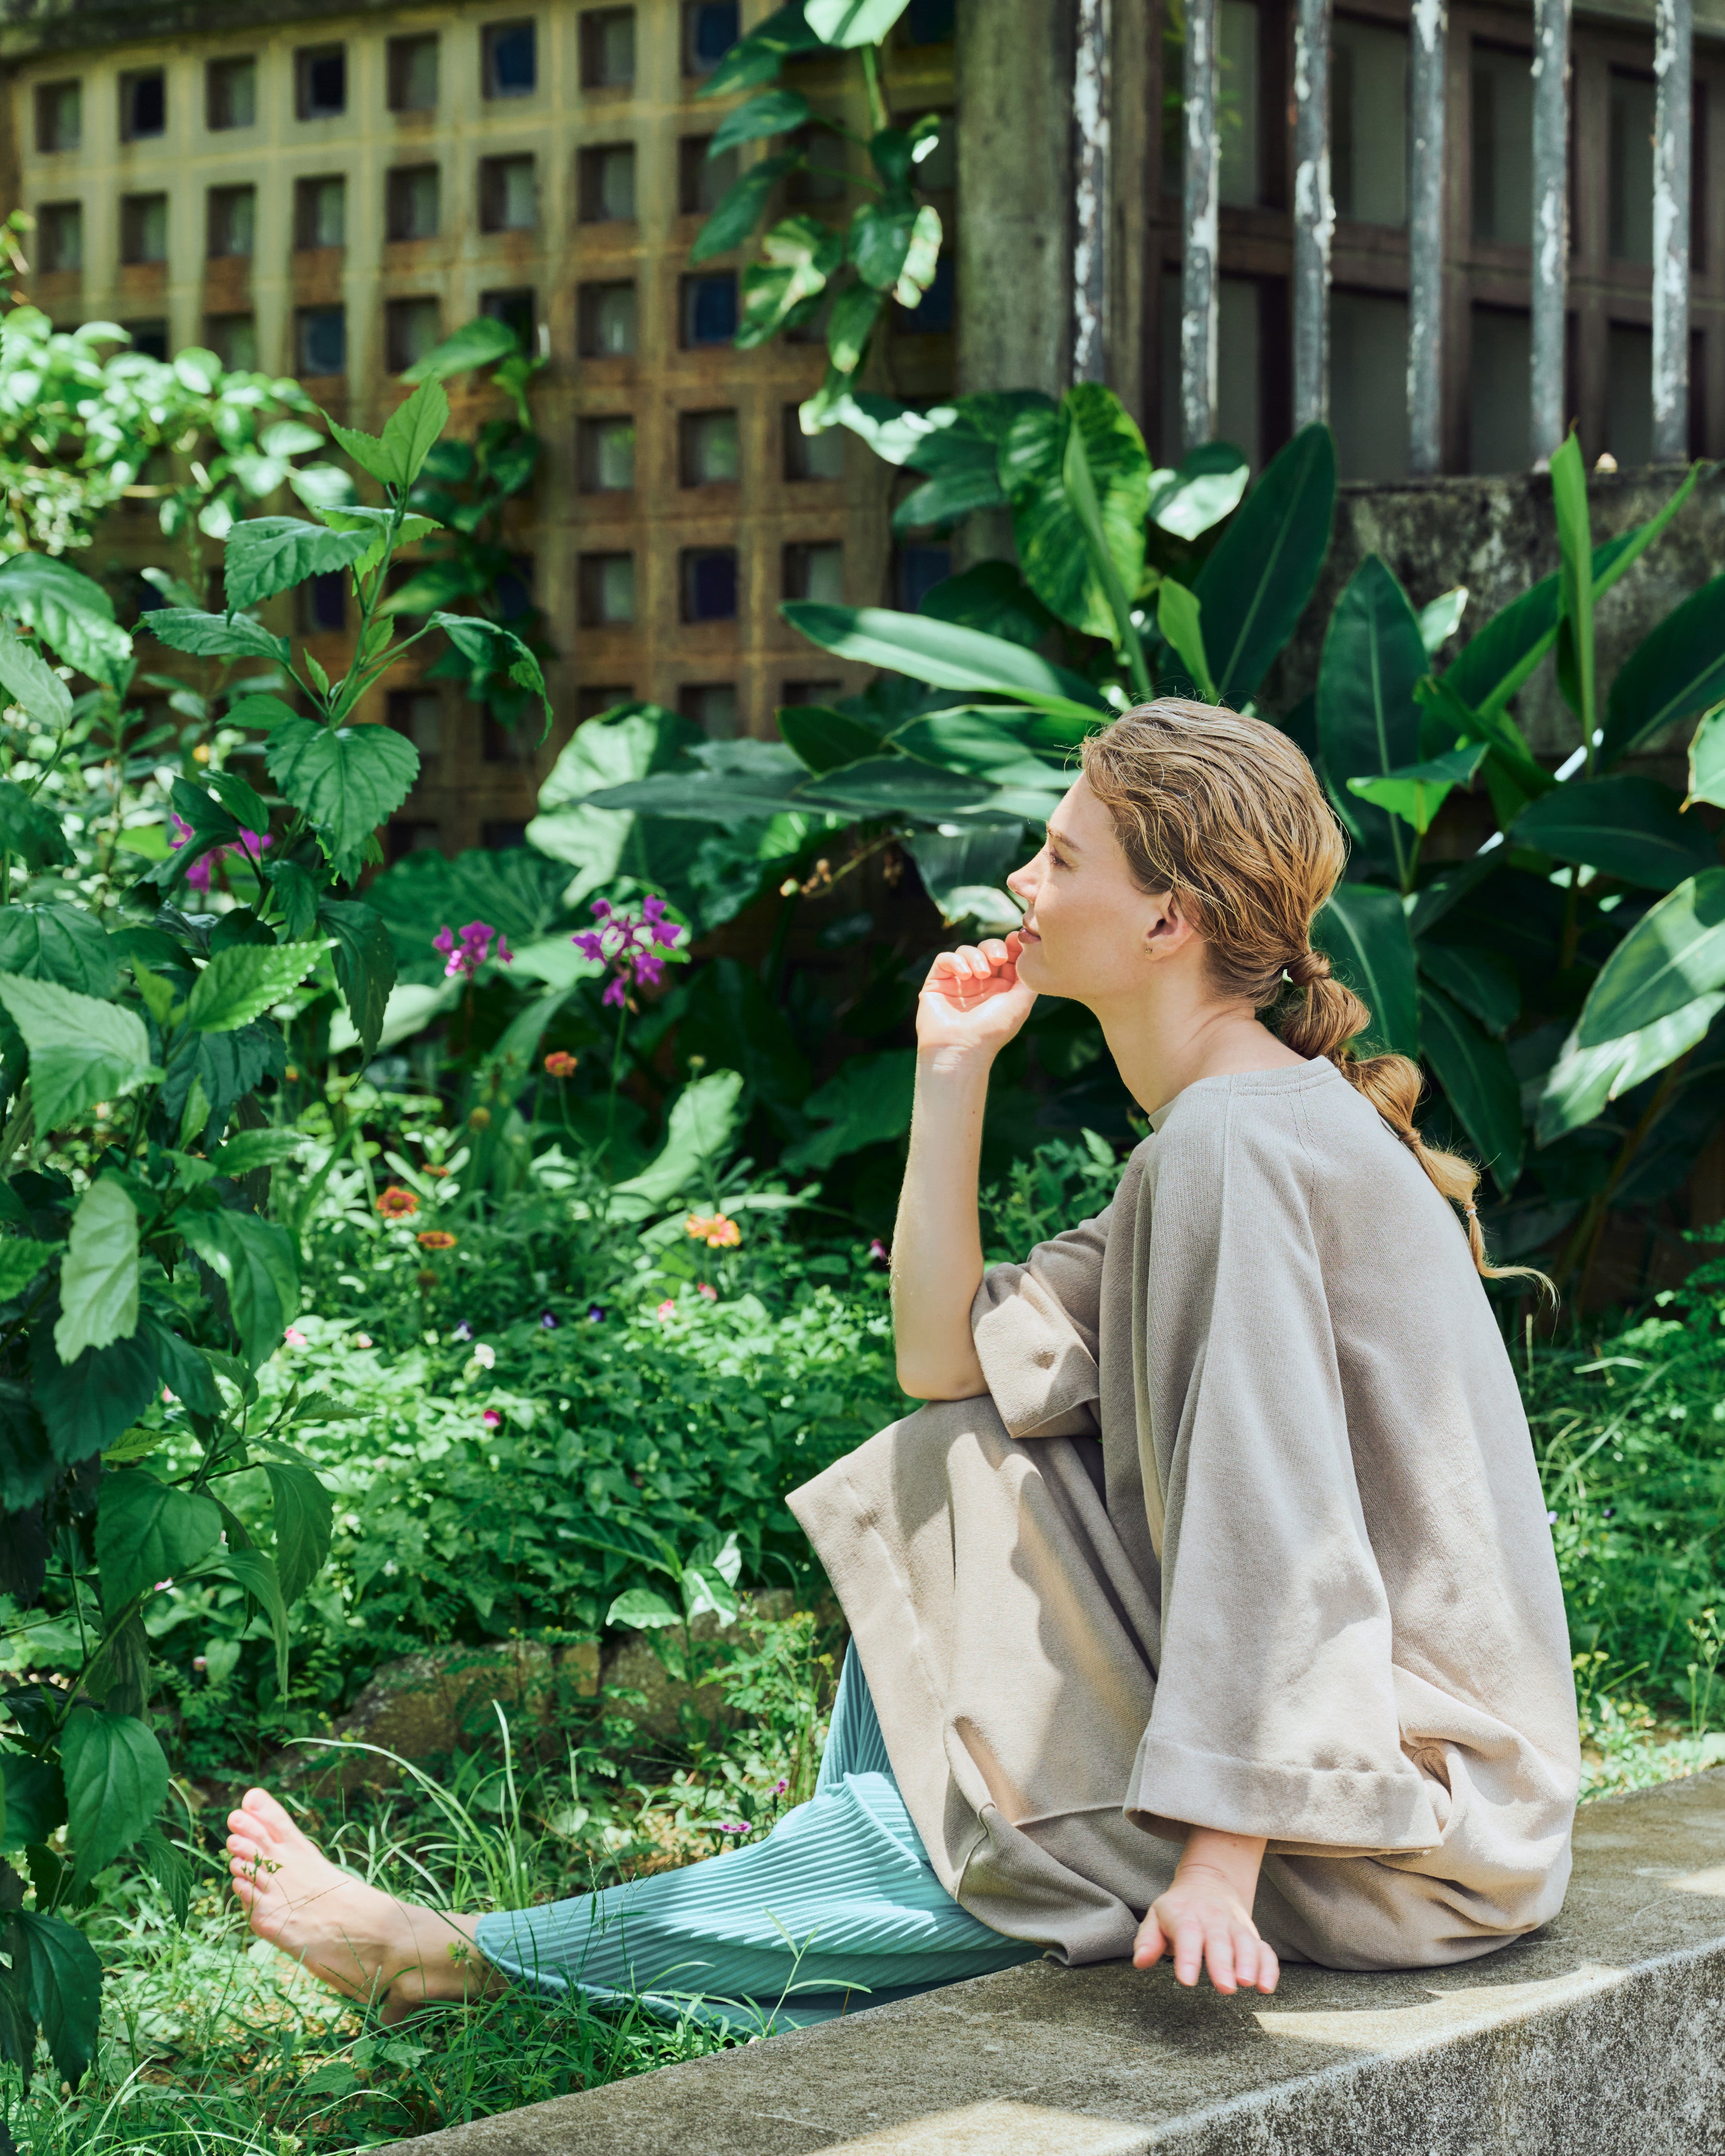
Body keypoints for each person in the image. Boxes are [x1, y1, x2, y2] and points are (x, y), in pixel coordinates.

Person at [226, 699, 1579, 2024]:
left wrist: (1220, 1862)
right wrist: (952, 1069)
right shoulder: (1241, 1126)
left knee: (1003, 1819)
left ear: (1169, 922)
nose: (1021, 882)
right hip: (1403, 1800)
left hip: (1401, 1833)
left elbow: (1276, 1506)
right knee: (955, 1466)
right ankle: (858, 1857)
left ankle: (454, 1958)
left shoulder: (1233, 1146)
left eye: (1062, 857)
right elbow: (945, 1365)